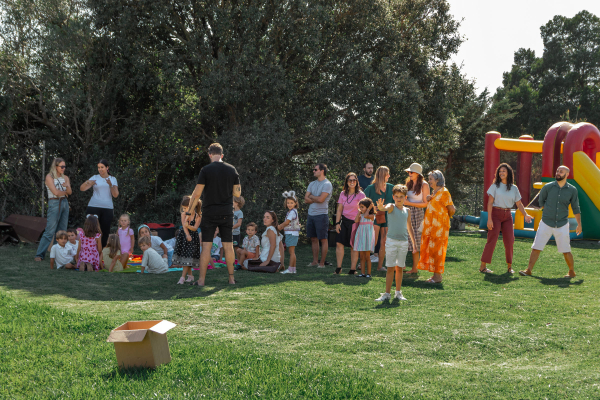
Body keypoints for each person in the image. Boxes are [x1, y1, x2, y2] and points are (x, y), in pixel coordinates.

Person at [187, 143, 240, 286]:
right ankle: (231, 279)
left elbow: (197, 193)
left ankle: (202, 280)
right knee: (228, 246)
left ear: (210, 154)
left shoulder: (205, 170)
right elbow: (237, 193)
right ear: (222, 155)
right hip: (227, 212)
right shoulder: (232, 169)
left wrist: (189, 211)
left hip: (210, 212)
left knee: (206, 247)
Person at [519, 166, 582, 278]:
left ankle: (571, 271)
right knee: (536, 246)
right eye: (557, 171)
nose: (558, 173)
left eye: (561, 172)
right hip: (546, 222)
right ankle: (528, 270)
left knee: (566, 249)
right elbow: (541, 201)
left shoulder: (572, 190)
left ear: (567, 174)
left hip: (562, 224)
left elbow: (576, 208)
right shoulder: (547, 187)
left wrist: (579, 225)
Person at [480, 163, 533, 274]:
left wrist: (526, 215)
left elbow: (519, 204)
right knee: (492, 240)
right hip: (495, 214)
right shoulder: (495, 186)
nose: (501, 173)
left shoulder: (514, 188)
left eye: (504, 171)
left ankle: (509, 267)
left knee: (509, 241)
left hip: (508, 216)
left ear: (508, 173)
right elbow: (489, 203)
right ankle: (483, 267)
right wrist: (489, 219)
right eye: (500, 171)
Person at [375, 185, 416, 301]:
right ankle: (387, 293)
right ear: (393, 197)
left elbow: (410, 227)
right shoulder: (391, 207)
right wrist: (381, 208)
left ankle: (398, 293)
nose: (399, 198)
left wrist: (414, 243)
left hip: (403, 242)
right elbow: (385, 208)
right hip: (391, 242)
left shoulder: (407, 210)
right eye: (396, 196)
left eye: (401, 196)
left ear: (405, 197)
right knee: (390, 268)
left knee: (400, 268)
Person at [418, 170, 455, 283]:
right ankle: (435, 275)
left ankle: (438, 277)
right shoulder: (435, 192)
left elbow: (452, 209)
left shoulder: (444, 192)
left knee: (438, 250)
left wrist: (443, 218)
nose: (429, 181)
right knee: (433, 250)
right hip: (431, 227)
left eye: (430, 179)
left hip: (440, 228)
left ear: (437, 180)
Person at [35, 158, 72, 261]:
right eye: (62, 166)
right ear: (56, 167)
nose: (64, 168)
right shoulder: (49, 177)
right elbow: (55, 192)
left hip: (64, 203)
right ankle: (39, 255)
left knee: (61, 231)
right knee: (50, 230)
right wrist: (64, 192)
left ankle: (57, 255)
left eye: (65, 166)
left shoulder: (66, 177)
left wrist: (66, 188)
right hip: (54, 202)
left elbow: (70, 192)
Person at [80, 159, 119, 247]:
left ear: (107, 167)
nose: (100, 169)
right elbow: (82, 188)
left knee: (105, 231)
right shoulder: (95, 177)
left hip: (107, 208)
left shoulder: (113, 179)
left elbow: (115, 195)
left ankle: (102, 253)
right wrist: (87, 182)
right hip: (93, 206)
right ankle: (88, 250)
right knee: (90, 229)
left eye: (102, 167)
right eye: (98, 167)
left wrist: (110, 185)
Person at [364, 166, 394, 272]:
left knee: (384, 242)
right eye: (387, 174)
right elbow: (362, 203)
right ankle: (363, 263)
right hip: (375, 217)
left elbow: (397, 201)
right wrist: (372, 207)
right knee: (373, 241)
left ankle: (380, 266)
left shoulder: (391, 188)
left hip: (387, 217)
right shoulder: (371, 188)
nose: (389, 176)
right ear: (383, 175)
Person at [334, 173, 366, 275]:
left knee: (354, 246)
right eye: (350, 180)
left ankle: (353, 270)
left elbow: (364, 210)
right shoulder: (343, 194)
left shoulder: (361, 195)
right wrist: (337, 223)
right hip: (344, 222)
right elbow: (339, 210)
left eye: (354, 180)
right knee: (339, 244)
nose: (352, 182)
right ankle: (338, 268)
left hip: (355, 222)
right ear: (347, 182)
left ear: (357, 182)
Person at [403, 163, 430, 274]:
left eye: (411, 172)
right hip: (406, 212)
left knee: (416, 241)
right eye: (408, 172)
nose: (409, 174)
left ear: (418, 174)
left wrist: (409, 203)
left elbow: (425, 204)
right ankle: (402, 265)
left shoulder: (424, 185)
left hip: (418, 214)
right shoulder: (408, 183)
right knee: (404, 239)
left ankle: (415, 268)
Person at [304, 163, 333, 268]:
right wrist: (314, 197)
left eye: (315, 169)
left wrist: (311, 196)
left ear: (322, 171)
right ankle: (315, 261)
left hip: (321, 215)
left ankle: (322, 263)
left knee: (323, 239)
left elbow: (321, 200)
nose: (313, 171)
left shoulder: (327, 184)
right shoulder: (312, 184)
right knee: (313, 239)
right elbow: (305, 199)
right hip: (311, 215)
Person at [173, 196, 201, 284]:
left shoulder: (198, 216)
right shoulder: (184, 214)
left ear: (192, 207)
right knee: (186, 256)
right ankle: (190, 276)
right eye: (183, 208)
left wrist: (188, 226)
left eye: (185, 208)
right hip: (184, 236)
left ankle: (182, 277)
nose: (184, 209)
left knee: (189, 256)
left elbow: (195, 228)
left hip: (193, 238)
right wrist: (187, 234)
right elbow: (183, 226)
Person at [278, 191, 301, 274]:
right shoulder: (292, 211)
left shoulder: (292, 212)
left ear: (295, 203)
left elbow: (287, 222)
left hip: (291, 234)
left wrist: (279, 227)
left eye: (291, 203)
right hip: (292, 234)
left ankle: (290, 269)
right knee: (292, 252)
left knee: (291, 252)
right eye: (288, 203)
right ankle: (293, 269)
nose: (289, 204)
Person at [353, 198, 376, 277]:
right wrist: (358, 213)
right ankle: (362, 273)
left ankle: (368, 273)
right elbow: (356, 221)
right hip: (361, 236)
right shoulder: (361, 215)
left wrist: (369, 209)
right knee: (362, 257)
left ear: (368, 207)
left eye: (362, 207)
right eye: (360, 207)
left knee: (367, 257)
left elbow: (366, 215)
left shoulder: (371, 215)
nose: (361, 208)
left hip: (368, 237)